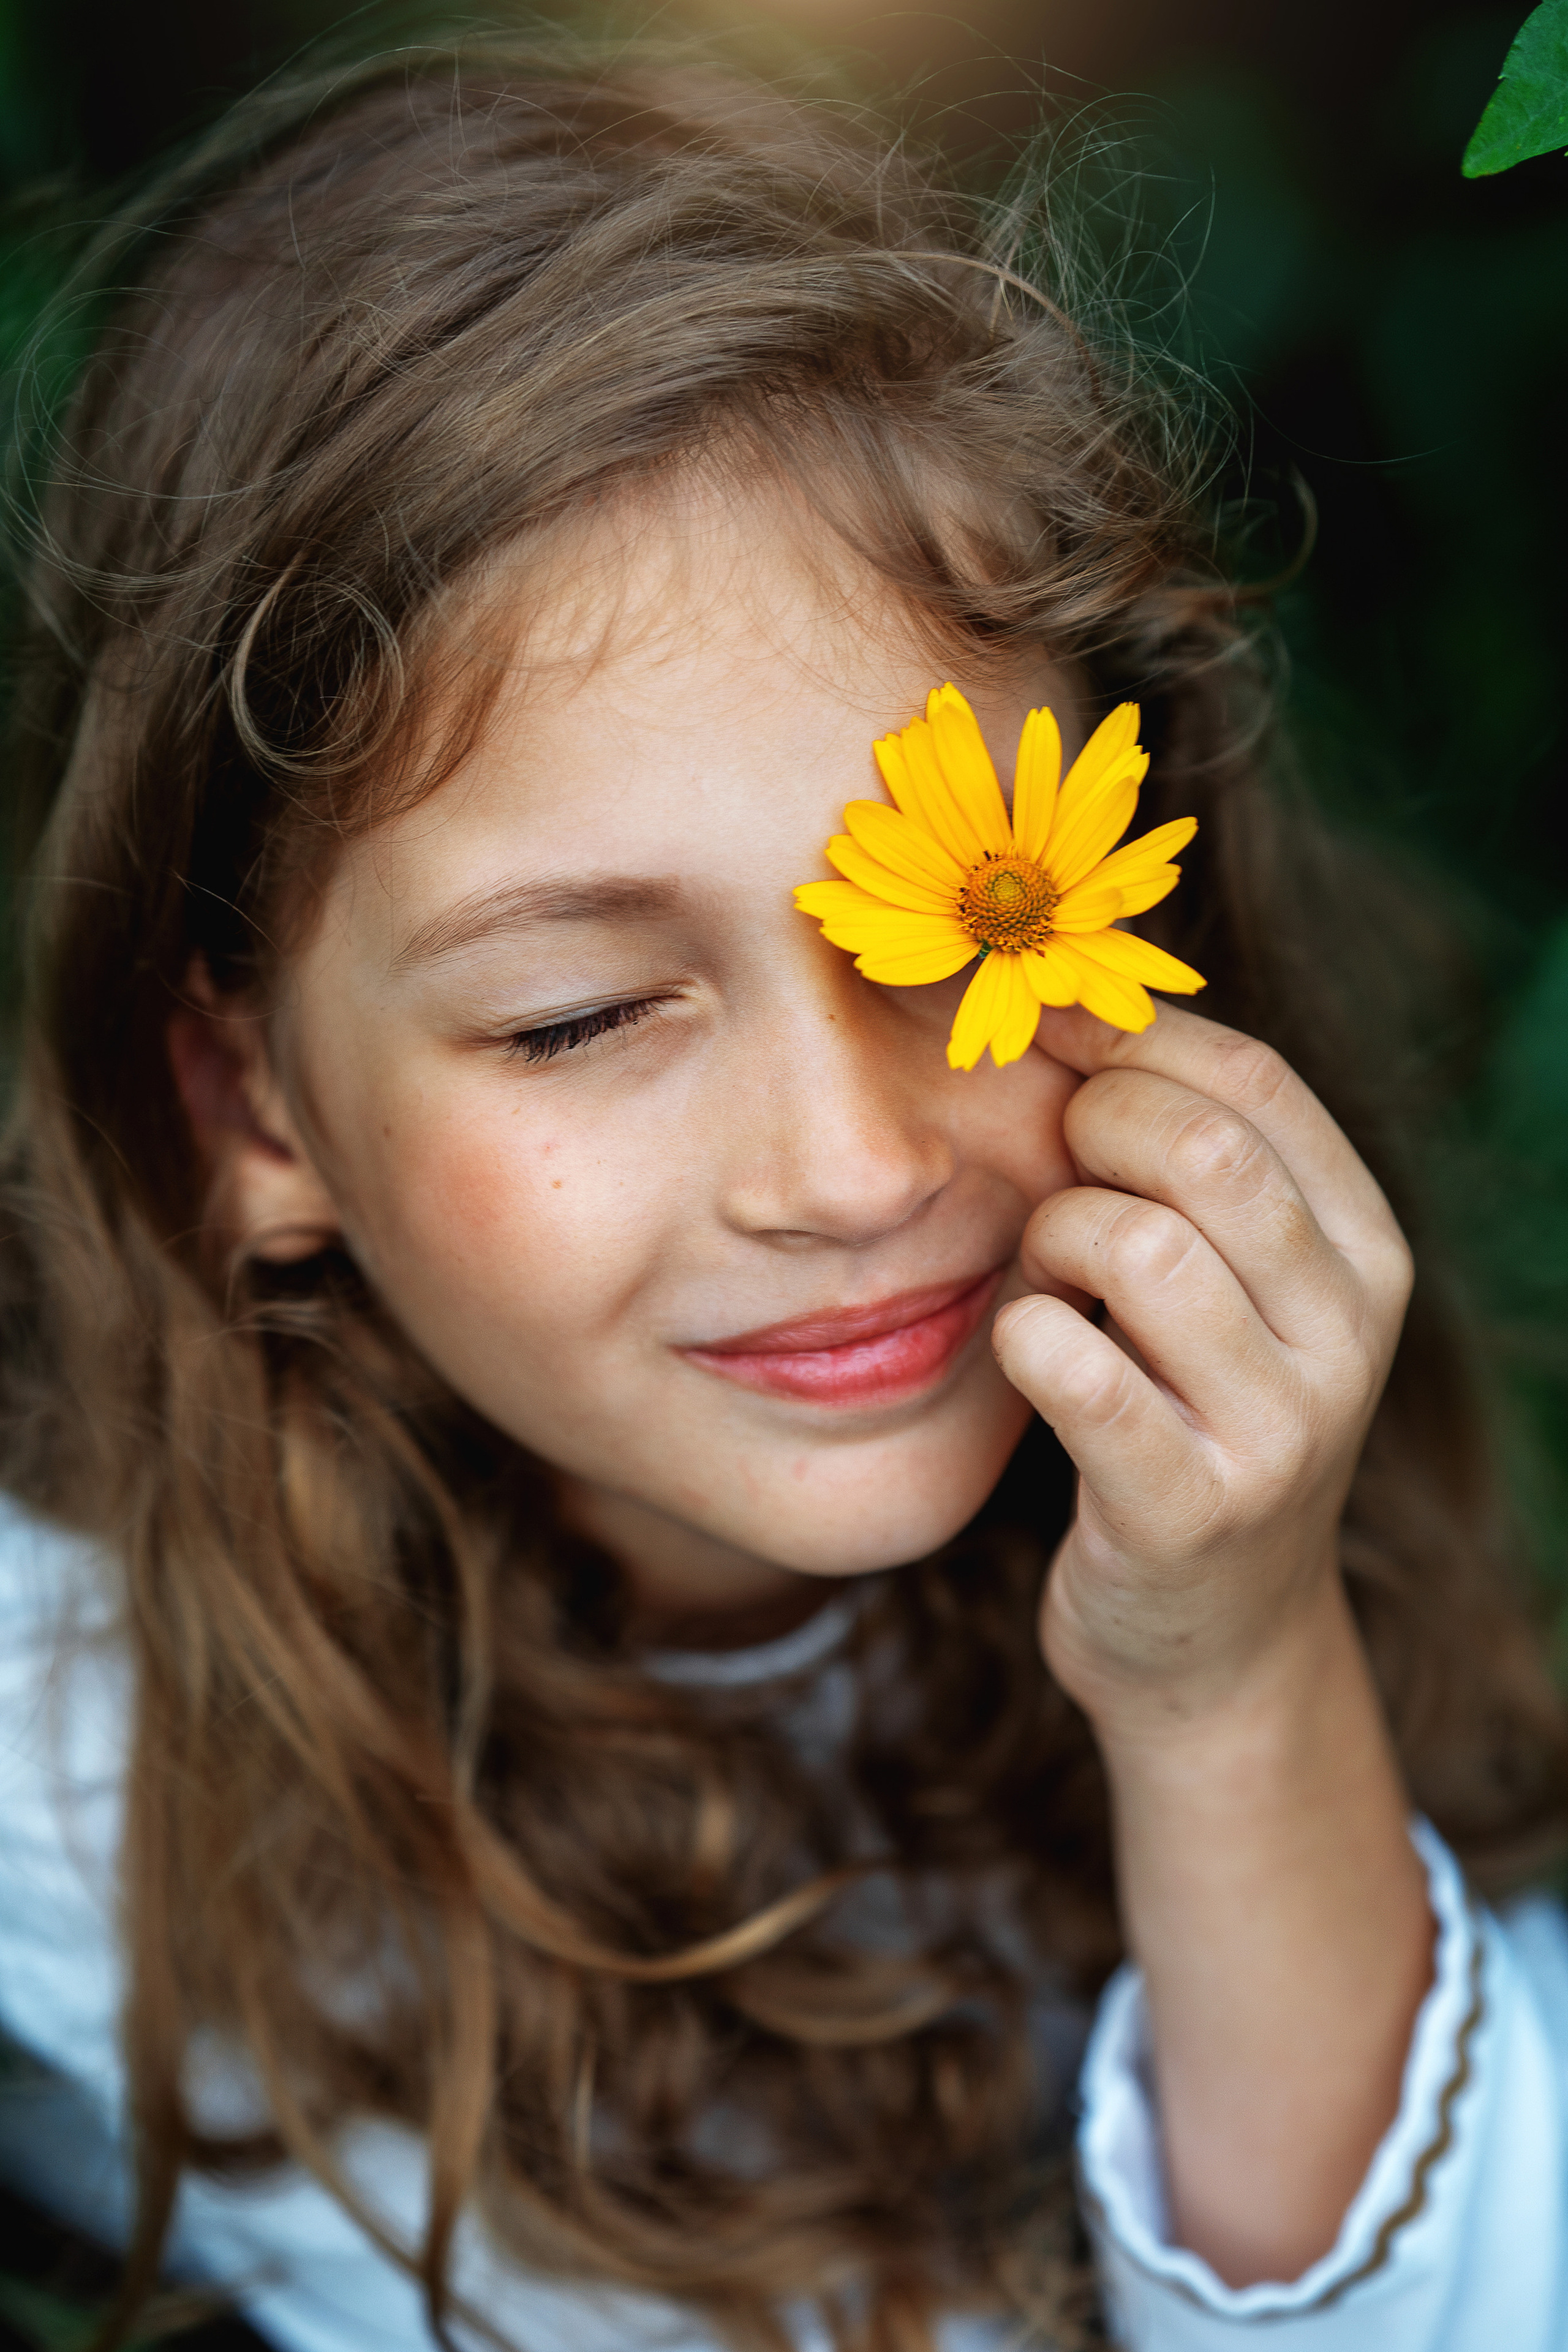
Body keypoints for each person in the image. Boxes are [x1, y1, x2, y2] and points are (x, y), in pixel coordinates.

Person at [1, 33, 1566, 2352]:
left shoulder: (1274, 1491)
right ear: (253, 1120)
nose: (853, 1170)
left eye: (970, 933)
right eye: (570, 1019)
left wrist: (1236, 1675)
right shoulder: (79, 1765)